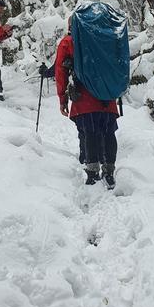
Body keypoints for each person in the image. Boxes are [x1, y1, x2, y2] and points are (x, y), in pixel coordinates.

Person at [52, 26, 119, 188]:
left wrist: (62, 99)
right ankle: (109, 171)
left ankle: (92, 172)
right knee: (109, 133)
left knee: (89, 132)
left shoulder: (68, 42)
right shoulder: (105, 37)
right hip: (107, 94)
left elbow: (60, 71)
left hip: (84, 96)